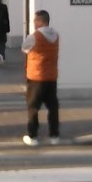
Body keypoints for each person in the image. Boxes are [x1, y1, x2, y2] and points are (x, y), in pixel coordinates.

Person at [21, 9, 60, 147]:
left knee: (33, 107)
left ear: (41, 21)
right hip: (51, 76)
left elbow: (24, 48)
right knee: (52, 107)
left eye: (35, 20)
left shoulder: (34, 36)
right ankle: (54, 135)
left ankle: (33, 136)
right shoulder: (56, 35)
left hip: (36, 77)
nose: (33, 23)